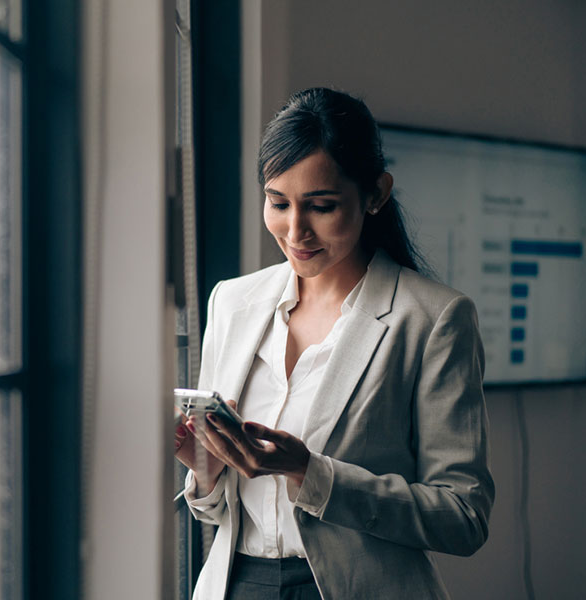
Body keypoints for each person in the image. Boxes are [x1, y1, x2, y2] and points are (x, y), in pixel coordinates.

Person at [173, 88, 494, 600]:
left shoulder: (434, 319)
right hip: (237, 584)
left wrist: (310, 474)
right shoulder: (231, 303)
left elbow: (463, 516)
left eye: (321, 206)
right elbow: (217, 511)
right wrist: (205, 466)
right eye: (277, 202)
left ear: (376, 194)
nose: (295, 230)